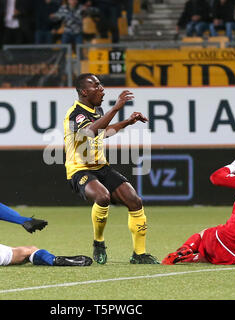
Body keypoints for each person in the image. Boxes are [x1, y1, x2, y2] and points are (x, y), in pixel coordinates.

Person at [63, 73, 159, 265]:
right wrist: (116, 108)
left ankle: (139, 254)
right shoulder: (76, 113)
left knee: (134, 200)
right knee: (102, 196)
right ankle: (98, 242)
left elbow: (103, 132)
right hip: (79, 169)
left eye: (101, 85)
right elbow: (90, 132)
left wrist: (127, 122)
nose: (102, 89)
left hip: (101, 167)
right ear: (84, 92)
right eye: (96, 86)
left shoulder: (97, 109)